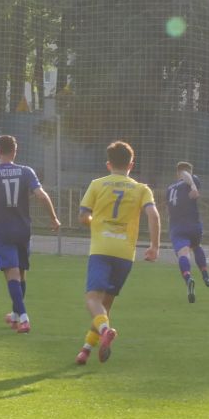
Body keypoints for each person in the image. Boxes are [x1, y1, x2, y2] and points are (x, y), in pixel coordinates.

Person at [75, 141, 160, 365]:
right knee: (105, 306)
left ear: (108, 164)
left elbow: (83, 216)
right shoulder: (142, 189)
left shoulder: (97, 184)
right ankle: (86, 350)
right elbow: (154, 215)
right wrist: (154, 246)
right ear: (131, 165)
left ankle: (105, 331)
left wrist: (95, 222)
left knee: (93, 300)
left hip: (101, 250)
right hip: (124, 255)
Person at [0, 135, 60, 334]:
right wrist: (53, 218)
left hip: (3, 230)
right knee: (21, 273)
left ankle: (24, 318)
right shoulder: (26, 171)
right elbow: (41, 195)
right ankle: (15, 315)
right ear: (15, 152)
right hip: (23, 229)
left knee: (11, 273)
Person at [166, 161, 209, 304]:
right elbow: (186, 174)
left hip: (177, 227)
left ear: (176, 174)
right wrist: (193, 185)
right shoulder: (191, 179)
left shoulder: (170, 188)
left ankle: (188, 278)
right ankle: (206, 276)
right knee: (196, 246)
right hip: (193, 225)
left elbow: (170, 208)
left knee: (183, 254)